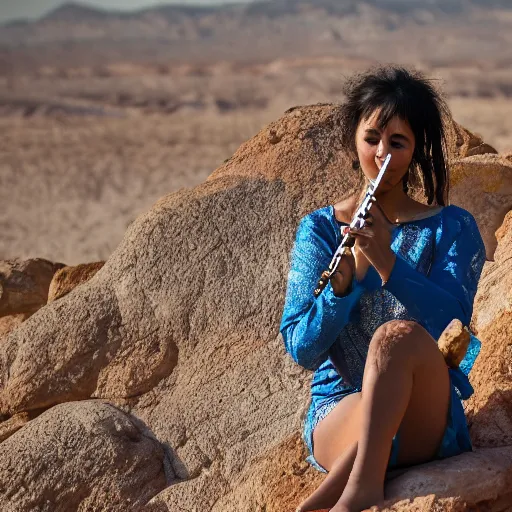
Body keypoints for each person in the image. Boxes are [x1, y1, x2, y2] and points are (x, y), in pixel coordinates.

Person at [279, 66, 486, 512]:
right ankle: (352, 483)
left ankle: (352, 492)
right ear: (353, 138)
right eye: (372, 138)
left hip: (426, 412)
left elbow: (455, 330)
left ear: (417, 151)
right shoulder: (319, 230)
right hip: (339, 410)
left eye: (398, 143)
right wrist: (345, 281)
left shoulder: (453, 227)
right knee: (373, 411)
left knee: (398, 338)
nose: (382, 154)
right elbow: (302, 349)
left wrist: (388, 262)